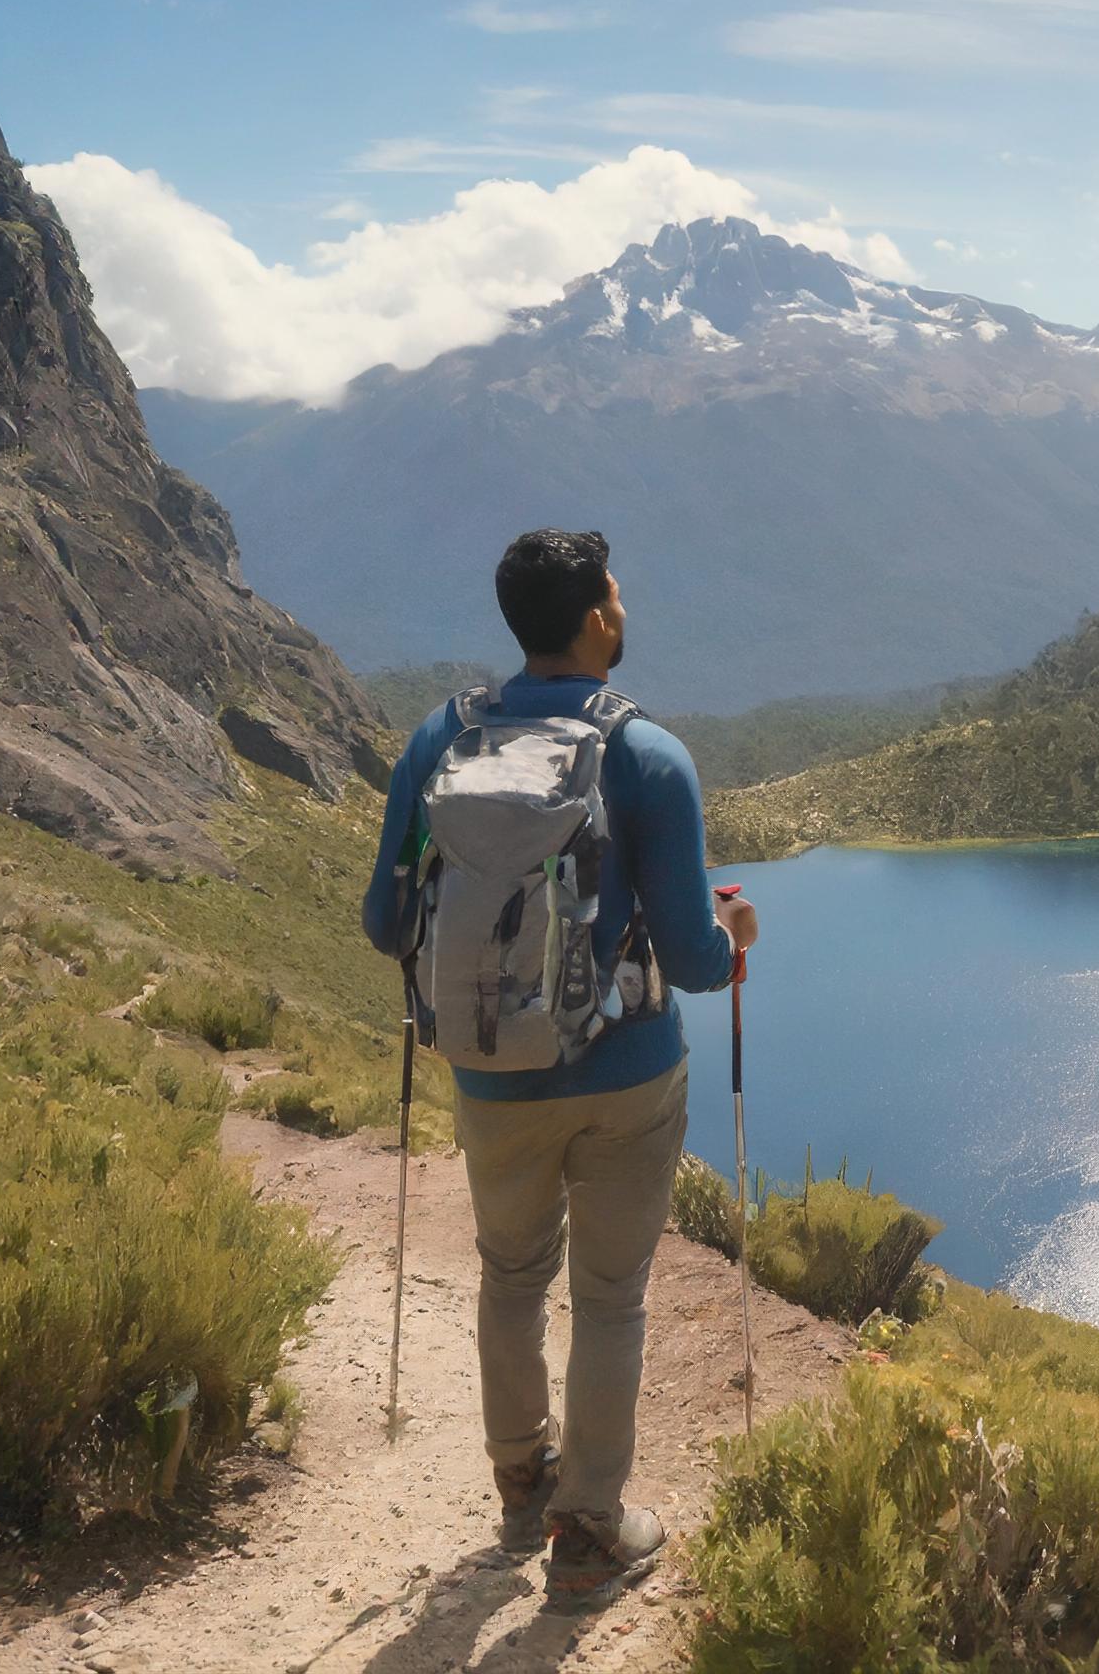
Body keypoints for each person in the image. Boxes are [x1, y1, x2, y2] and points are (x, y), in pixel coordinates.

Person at [360, 528, 759, 1604]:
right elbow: (692, 957)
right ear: (594, 616)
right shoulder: (646, 757)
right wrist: (740, 939)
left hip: (491, 1080)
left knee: (511, 1274)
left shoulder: (438, 741)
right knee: (613, 1296)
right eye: (616, 596)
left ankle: (521, 1485)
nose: (624, 609)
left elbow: (383, 917)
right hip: (627, 1078)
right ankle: (590, 1533)